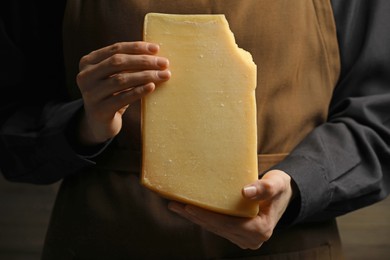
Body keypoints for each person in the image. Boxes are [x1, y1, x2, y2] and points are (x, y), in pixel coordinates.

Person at [1, 0, 390, 259]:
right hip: (103, 237)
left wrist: (301, 183)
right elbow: (12, 125)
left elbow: (380, 118)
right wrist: (84, 125)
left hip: (287, 245)